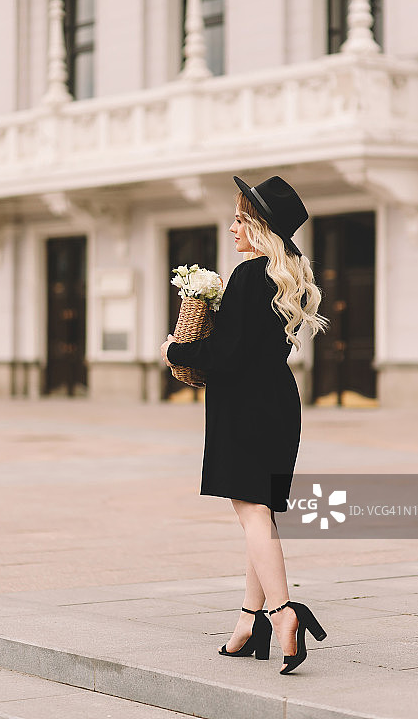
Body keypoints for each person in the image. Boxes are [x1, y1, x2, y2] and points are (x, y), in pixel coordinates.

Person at [160, 175, 329, 674]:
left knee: (252, 511)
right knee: (262, 513)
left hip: (245, 405)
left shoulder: (249, 274)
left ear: (259, 227)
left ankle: (282, 615)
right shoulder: (289, 273)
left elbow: (225, 353)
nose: (232, 227)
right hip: (278, 400)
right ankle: (248, 620)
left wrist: (175, 350)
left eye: (240, 219)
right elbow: (251, 346)